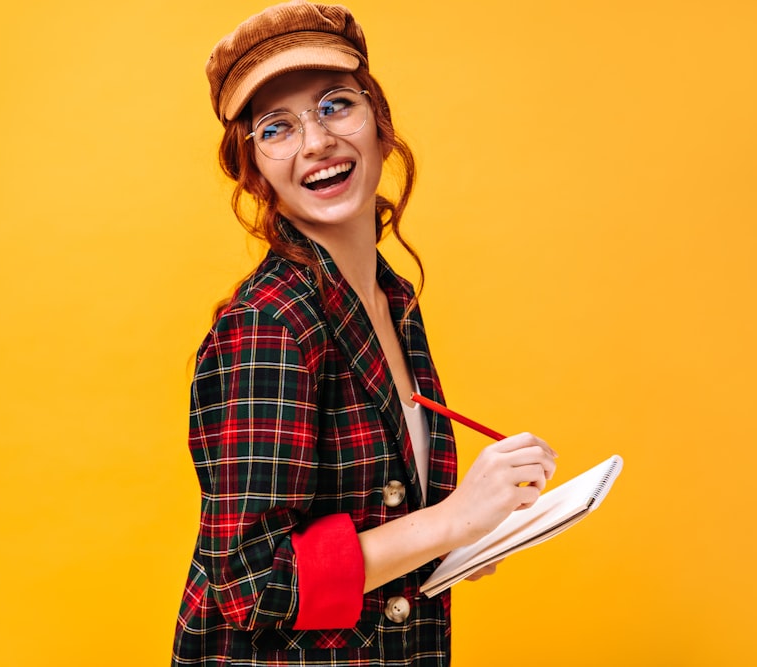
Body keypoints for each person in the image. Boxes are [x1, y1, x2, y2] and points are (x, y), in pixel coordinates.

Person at [173, 2, 557, 665]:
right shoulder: (271, 324)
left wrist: (466, 540)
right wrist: (451, 519)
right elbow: (256, 585)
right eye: (276, 127)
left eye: (334, 105)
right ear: (255, 171)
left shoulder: (392, 301)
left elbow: (373, 528)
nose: (316, 141)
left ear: (379, 125)